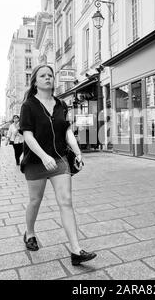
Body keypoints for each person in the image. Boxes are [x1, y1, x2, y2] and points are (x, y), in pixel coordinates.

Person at [19, 64, 96, 266]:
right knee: (35, 200)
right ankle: (30, 232)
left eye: (50, 75)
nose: (47, 78)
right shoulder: (29, 105)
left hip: (60, 158)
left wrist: (77, 152)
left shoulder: (61, 104)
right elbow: (27, 135)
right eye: (43, 76)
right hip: (36, 160)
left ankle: (76, 250)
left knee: (66, 201)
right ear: (35, 81)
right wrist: (43, 156)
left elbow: (67, 131)